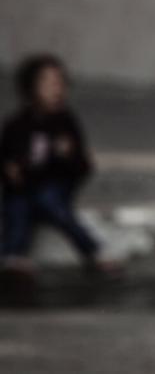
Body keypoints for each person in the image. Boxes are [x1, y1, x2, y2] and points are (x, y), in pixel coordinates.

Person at [1, 54, 113, 275]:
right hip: (23, 188)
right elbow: (6, 158)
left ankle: (93, 250)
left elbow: (82, 167)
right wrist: (9, 169)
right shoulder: (17, 125)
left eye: (60, 83)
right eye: (48, 83)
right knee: (17, 209)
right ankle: (13, 256)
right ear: (31, 88)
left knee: (49, 202)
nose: (56, 89)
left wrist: (68, 156)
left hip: (54, 187)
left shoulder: (65, 123)